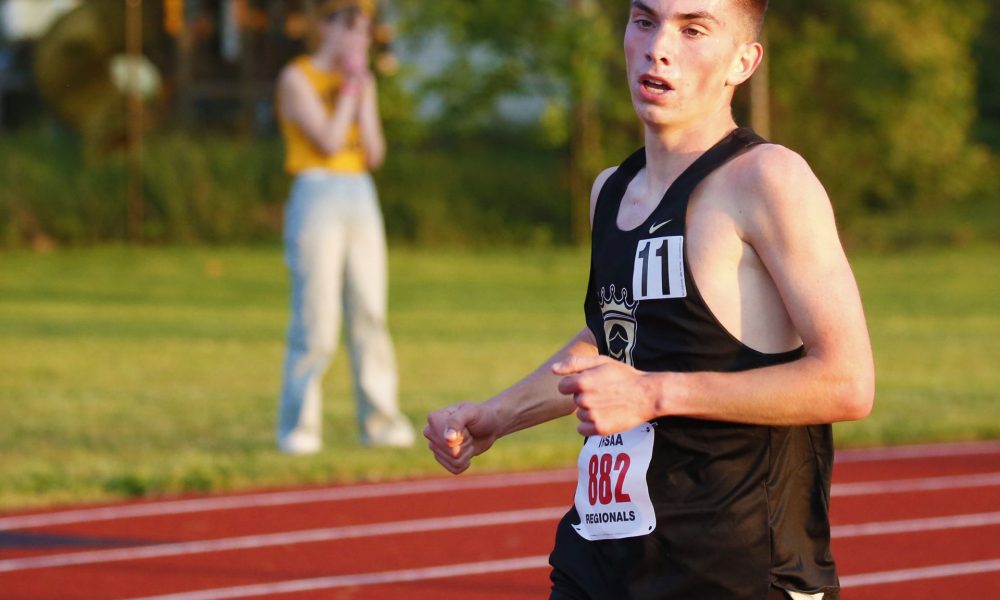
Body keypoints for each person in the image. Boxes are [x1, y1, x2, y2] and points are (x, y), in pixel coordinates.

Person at [424, 1, 874, 598]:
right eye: (644, 21)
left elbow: (846, 382)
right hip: (604, 557)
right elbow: (619, 337)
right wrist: (498, 415)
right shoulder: (611, 190)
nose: (659, 46)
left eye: (692, 29)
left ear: (744, 60)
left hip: (732, 567)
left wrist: (654, 393)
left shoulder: (768, 180)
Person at [275, 0, 415, 453]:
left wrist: (362, 91)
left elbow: (373, 152)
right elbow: (329, 139)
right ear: (327, 30)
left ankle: (379, 420)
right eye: (350, 31)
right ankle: (300, 425)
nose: (358, 42)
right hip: (317, 191)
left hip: (359, 190)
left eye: (364, 33)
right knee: (316, 320)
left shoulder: (361, 82)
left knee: (370, 312)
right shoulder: (297, 78)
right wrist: (351, 92)